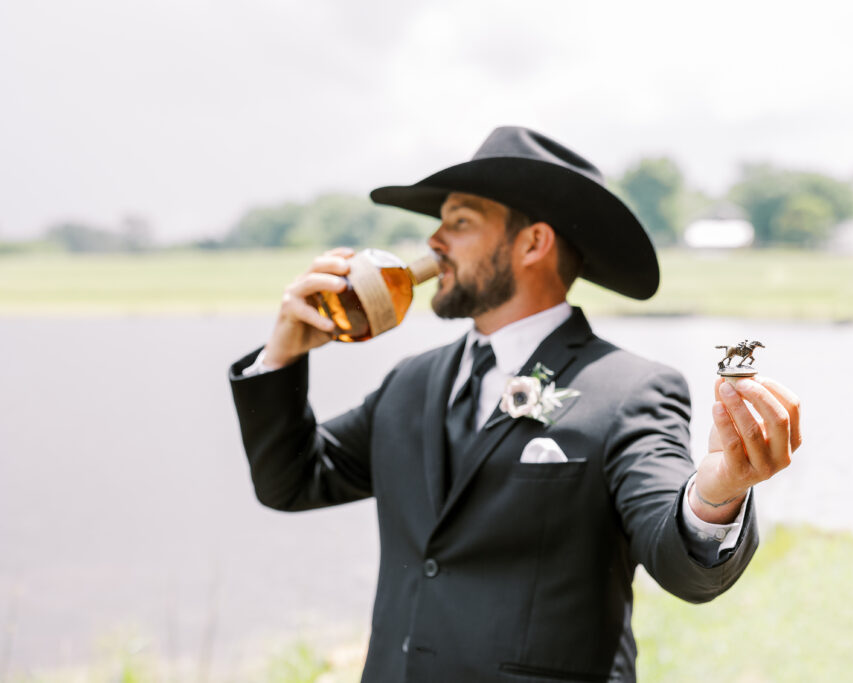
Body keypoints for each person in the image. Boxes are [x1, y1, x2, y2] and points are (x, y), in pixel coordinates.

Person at [229, 126, 802, 682]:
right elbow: (292, 481)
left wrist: (715, 495)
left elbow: (677, 560)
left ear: (533, 242)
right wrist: (281, 357)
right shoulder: (410, 382)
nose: (433, 242)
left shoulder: (632, 390)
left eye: (459, 222)